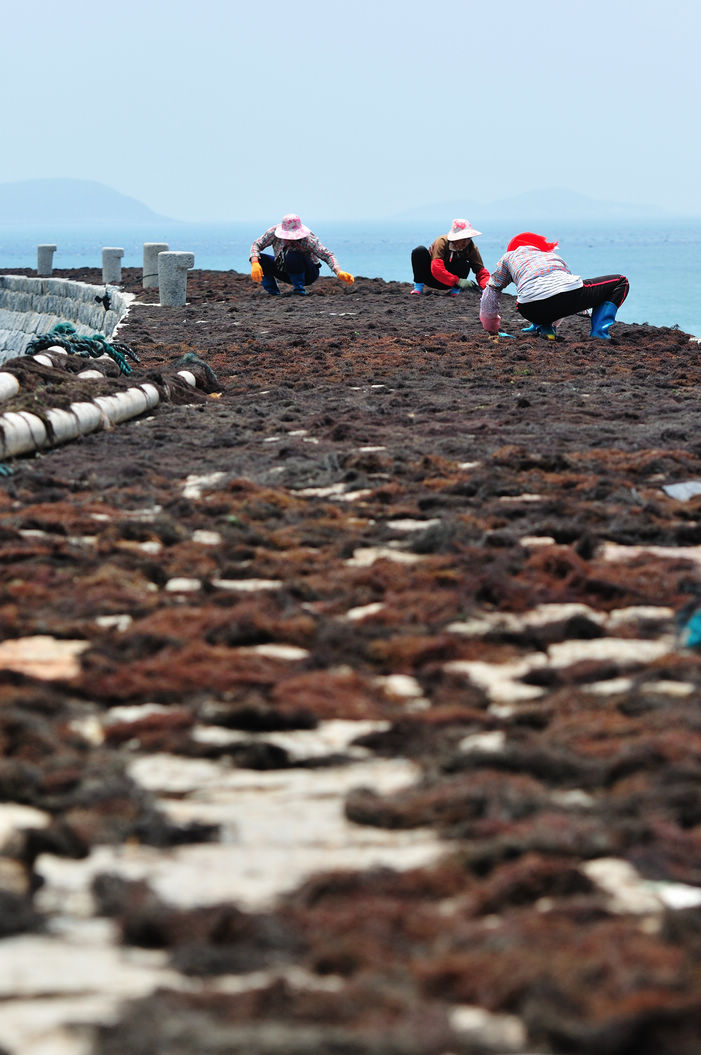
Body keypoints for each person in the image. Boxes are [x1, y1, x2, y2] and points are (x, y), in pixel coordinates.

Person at [480, 232, 629, 340]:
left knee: (540, 294)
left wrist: (492, 330)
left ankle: (546, 330)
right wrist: (584, 311)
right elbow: (563, 290)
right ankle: (599, 333)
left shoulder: (508, 257)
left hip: (529, 309)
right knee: (621, 281)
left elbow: (491, 290)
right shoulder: (552, 256)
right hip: (567, 296)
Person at [249, 214, 354, 296]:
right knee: (260, 259)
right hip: (283, 269)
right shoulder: (273, 233)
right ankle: (273, 292)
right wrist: (255, 263)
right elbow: (256, 245)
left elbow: (327, 255)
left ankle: (299, 290)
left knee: (293, 255)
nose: (291, 239)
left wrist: (338, 272)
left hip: (308, 274)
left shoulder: (308, 240)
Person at [410, 218, 490, 296]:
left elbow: (481, 272)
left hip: (452, 284)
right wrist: (458, 281)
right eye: (463, 238)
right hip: (431, 278)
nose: (465, 242)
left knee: (464, 263)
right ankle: (418, 288)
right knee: (419, 251)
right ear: (455, 238)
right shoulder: (442, 242)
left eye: (468, 238)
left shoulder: (471, 248)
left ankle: (455, 291)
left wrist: (487, 288)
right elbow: (436, 269)